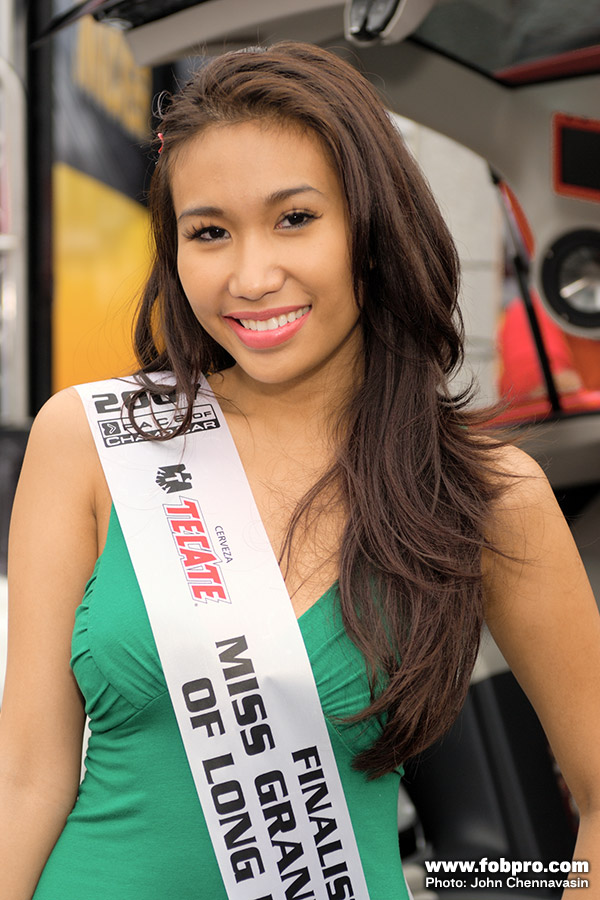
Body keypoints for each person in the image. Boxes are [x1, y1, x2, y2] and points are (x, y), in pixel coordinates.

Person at [1, 42, 599, 900]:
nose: (251, 277)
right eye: (210, 232)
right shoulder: (93, 441)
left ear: (372, 231)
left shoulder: (481, 492)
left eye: (294, 219)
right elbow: (25, 776)